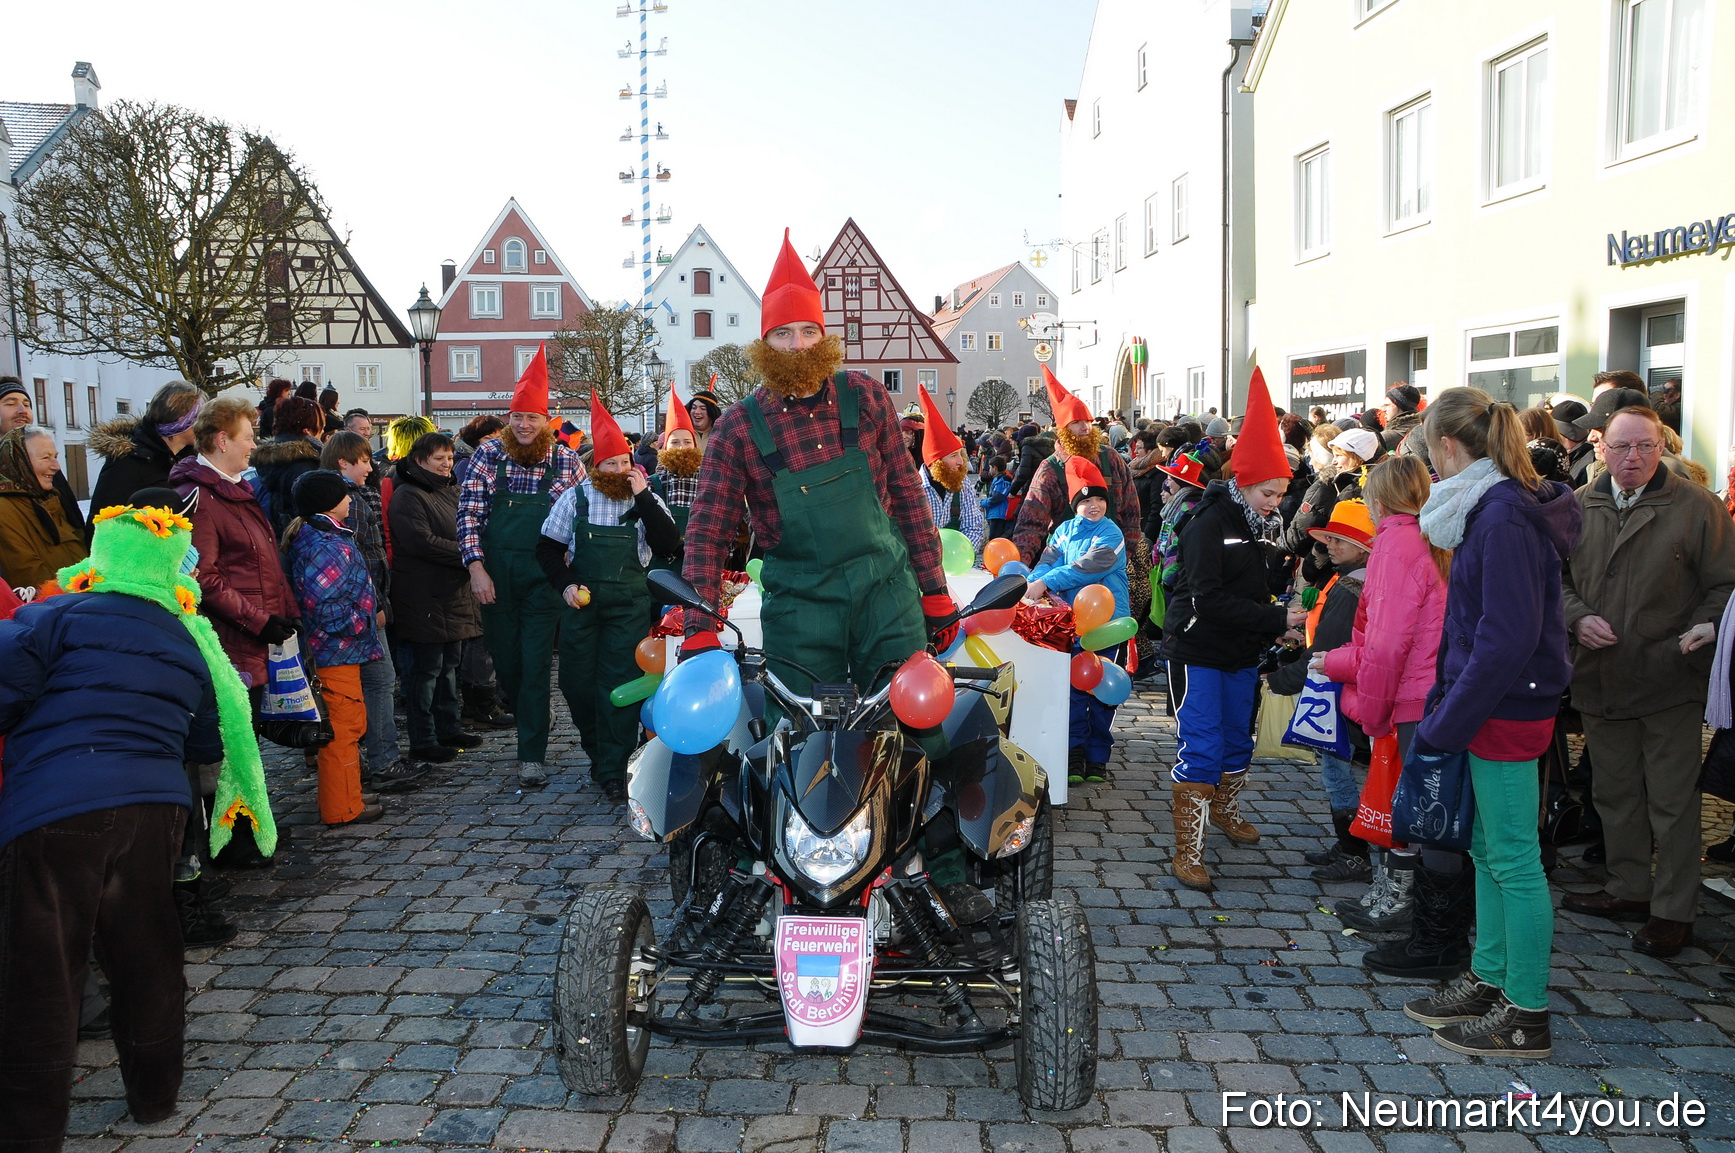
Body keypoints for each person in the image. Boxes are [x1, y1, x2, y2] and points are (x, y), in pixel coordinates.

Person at [0, 495, 273, 1145]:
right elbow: (208, 740)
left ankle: (28, 1130)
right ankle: (154, 1095)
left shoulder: (55, 614)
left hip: (53, 808)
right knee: (147, 952)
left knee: (42, 970)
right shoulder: (188, 638)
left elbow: (6, 693)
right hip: (154, 812)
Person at [679, 229, 957, 696]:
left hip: (885, 595)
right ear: (766, 343)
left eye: (809, 331)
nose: (798, 344)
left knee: (909, 722)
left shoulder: (866, 396)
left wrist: (934, 589)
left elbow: (909, 498)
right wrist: (700, 623)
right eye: (783, 334)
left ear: (824, 336)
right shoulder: (737, 428)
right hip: (800, 608)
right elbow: (708, 530)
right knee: (799, 735)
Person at [1397, 386, 1580, 1060]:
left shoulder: (1500, 514)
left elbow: (1503, 638)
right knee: (1484, 847)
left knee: (1512, 858)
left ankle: (1525, 1009)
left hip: (1502, 707)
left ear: (1446, 445)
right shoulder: (1491, 505)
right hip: (1491, 703)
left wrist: (1446, 720)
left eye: (1426, 451)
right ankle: (1493, 976)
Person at [1558, 405, 1735, 958]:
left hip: (1668, 678)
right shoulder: (1579, 505)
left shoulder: (1697, 506)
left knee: (1673, 801)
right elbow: (1555, 581)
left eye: (1645, 446)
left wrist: (1706, 626)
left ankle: (1674, 910)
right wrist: (1576, 617)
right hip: (1601, 677)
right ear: (1601, 448)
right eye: (1621, 447)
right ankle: (1629, 888)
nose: (1632, 458)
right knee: (1614, 794)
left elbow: (1726, 584)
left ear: (1663, 448)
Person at [1166, 369, 1307, 890]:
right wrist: (1276, 619)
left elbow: (1255, 592)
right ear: (1244, 484)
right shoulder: (1209, 525)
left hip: (1241, 652)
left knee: (1236, 741)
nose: (1276, 502)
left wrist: (1278, 615)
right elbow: (1209, 599)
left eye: (1280, 493)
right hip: (1199, 648)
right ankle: (1188, 849)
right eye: (1268, 493)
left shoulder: (1261, 525)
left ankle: (1224, 810)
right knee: (1201, 745)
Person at [1315, 457, 1446, 932]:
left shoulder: (1397, 544)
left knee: (1412, 809)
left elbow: (1388, 643)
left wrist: (1369, 710)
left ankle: (1406, 910)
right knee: (1418, 805)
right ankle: (1403, 904)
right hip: (1430, 689)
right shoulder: (1431, 535)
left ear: (1377, 500)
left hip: (1410, 697)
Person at [170, 396, 298, 867]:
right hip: (230, 641)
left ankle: (245, 828)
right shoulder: (201, 495)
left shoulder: (235, 487)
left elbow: (260, 562)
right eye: (248, 437)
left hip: (251, 636)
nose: (254, 446)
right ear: (222, 440)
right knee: (226, 744)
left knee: (244, 739)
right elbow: (202, 578)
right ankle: (230, 839)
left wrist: (284, 609)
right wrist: (261, 620)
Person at [537, 395, 679, 800]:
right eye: (610, 464)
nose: (618, 470)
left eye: (624, 463)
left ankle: (614, 768)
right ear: (595, 466)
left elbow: (669, 545)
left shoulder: (647, 499)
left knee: (617, 685)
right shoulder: (576, 498)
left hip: (629, 607)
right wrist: (564, 583)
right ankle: (598, 753)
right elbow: (547, 548)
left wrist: (644, 498)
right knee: (576, 684)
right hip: (582, 607)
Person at [457, 346, 583, 787]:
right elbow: (468, 514)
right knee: (507, 661)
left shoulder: (566, 461)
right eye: (517, 417)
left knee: (534, 664)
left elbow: (578, 521)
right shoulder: (487, 457)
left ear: (546, 421)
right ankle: (532, 711)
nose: (524, 425)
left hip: (544, 576)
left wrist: (570, 574)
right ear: (508, 420)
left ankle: (531, 754)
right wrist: (476, 567)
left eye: (532, 417)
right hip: (496, 575)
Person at [1268, 500, 1376, 883]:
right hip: (1349, 684)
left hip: (1335, 689)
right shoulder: (1359, 580)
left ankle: (1353, 852)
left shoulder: (1350, 588)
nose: (1330, 545)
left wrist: (1281, 680)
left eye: (1339, 541)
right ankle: (1350, 846)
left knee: (1336, 770)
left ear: (1363, 548)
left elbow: (1326, 649)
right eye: (1330, 538)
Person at [283, 470, 388, 825]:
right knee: (342, 729)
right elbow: (324, 606)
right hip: (335, 651)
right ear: (329, 502)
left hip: (340, 650)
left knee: (349, 725)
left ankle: (350, 794)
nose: (350, 500)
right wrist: (363, 620)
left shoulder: (324, 537)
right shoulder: (325, 545)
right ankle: (342, 808)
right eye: (344, 495)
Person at [321, 433, 419, 791]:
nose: (370, 466)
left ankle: (379, 758)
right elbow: (360, 559)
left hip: (367, 603)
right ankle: (384, 761)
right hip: (363, 607)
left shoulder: (356, 496)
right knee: (380, 681)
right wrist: (377, 603)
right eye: (363, 460)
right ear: (343, 463)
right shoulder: (347, 502)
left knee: (377, 682)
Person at [1025, 454, 1128, 786]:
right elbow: (1048, 560)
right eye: (1086, 500)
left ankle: (1098, 756)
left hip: (1106, 625)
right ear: (1074, 505)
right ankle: (1073, 753)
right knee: (1071, 691)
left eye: (1099, 499)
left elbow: (1089, 565)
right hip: (1071, 624)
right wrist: (1033, 582)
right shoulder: (1064, 531)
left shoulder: (1111, 533)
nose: (1094, 505)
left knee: (1100, 692)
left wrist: (1046, 582)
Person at [390, 432, 485, 771]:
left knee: (448, 668)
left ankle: (450, 728)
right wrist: (467, 554)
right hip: (423, 594)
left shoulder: (453, 491)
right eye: (439, 459)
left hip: (452, 593)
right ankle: (424, 739)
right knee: (425, 671)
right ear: (419, 460)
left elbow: (471, 527)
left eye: (448, 458)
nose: (447, 464)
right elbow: (420, 541)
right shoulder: (408, 495)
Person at [1011, 368, 1147, 591]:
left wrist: (1125, 552)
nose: (1085, 427)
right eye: (1077, 422)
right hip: (1064, 566)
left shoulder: (1110, 458)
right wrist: (1019, 569)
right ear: (1063, 429)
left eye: (1087, 421)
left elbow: (1132, 511)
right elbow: (1031, 523)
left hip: (1108, 562)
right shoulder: (1050, 469)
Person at [87, 381, 204, 525]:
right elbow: (100, 524)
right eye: (201, 419)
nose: (206, 426)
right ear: (183, 421)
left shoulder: (191, 459)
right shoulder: (127, 463)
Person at [0, 426, 88, 596]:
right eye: (45, 458)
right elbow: (28, 576)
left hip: (78, 602)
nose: (55, 466)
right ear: (19, 461)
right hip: (49, 612)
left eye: (55, 457)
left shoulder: (51, 500)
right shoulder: (5, 509)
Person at [916, 385, 987, 557]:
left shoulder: (962, 484)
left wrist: (960, 554)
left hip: (958, 565)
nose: (961, 461)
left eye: (960, 455)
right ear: (937, 462)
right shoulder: (914, 489)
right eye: (953, 456)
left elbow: (974, 527)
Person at [253, 395, 326, 534]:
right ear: (307, 430)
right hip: (306, 540)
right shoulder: (307, 464)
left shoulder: (272, 460)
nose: (322, 430)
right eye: (320, 425)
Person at [648, 384, 703, 551]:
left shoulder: (708, 481)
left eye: (687, 442)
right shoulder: (651, 484)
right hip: (659, 564)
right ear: (665, 447)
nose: (681, 448)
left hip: (698, 560)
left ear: (694, 445)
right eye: (675, 442)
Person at [1380, 385, 1425, 452]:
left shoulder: (1386, 438)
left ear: (1400, 406)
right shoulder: (1421, 429)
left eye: (1387, 405)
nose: (1383, 409)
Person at [980, 456, 1014, 541]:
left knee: (995, 539)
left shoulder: (1003, 480)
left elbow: (996, 498)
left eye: (990, 467)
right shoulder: (998, 479)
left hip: (999, 514)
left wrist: (983, 503)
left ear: (995, 468)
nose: (989, 470)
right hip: (995, 513)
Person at [688, 381, 722, 451]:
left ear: (712, 412)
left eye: (703, 408)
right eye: (694, 408)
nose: (697, 412)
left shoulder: (721, 436)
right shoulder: (682, 434)